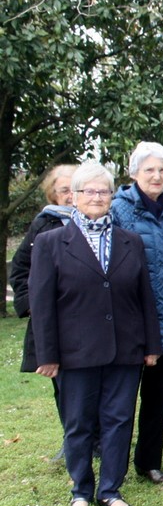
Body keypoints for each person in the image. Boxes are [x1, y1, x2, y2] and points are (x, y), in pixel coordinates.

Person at [30, 162, 161, 506]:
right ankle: (81, 491)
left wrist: (151, 345)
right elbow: (42, 304)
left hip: (125, 347)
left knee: (119, 419)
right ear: (73, 196)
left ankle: (110, 490)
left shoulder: (130, 241)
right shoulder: (51, 243)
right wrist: (47, 354)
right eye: (88, 191)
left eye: (103, 191)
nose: (97, 197)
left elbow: (144, 297)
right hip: (75, 351)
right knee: (79, 422)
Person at [110, 141, 163, 486]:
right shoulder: (117, 210)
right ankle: (114, 465)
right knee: (121, 400)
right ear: (134, 173)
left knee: (157, 397)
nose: (156, 176)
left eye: (162, 170)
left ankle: (149, 462)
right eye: (149, 170)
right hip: (129, 319)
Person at [10, 164, 77, 449]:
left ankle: (95, 439)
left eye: (75, 188)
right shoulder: (44, 225)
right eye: (64, 190)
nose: (71, 195)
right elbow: (20, 269)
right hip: (56, 323)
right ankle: (71, 441)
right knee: (63, 385)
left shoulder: (99, 223)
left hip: (88, 318)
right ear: (53, 194)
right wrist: (33, 307)